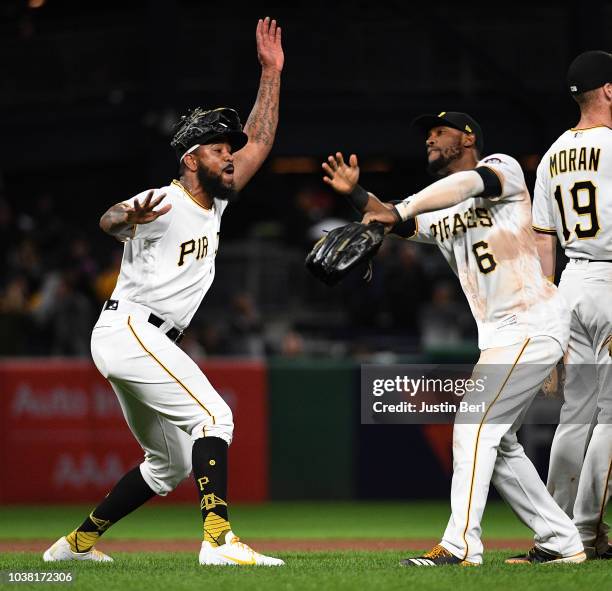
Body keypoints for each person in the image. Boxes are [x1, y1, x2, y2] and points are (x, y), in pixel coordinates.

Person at [43, 16, 284, 567]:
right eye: (218, 148)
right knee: (215, 419)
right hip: (132, 329)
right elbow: (110, 219)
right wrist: (123, 218)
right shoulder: (165, 199)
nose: (229, 155)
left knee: (168, 465)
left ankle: (75, 545)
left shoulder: (216, 201)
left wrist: (270, 73)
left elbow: (263, 139)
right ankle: (219, 540)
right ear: (190, 157)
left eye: (229, 148)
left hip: (133, 336)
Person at [322, 111, 585, 566]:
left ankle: (461, 544)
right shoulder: (441, 211)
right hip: (503, 335)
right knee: (499, 444)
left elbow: (459, 188)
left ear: (467, 138)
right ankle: (560, 541)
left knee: (472, 426)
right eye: (426, 133)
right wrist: (358, 197)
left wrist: (401, 208)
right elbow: (394, 221)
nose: (429, 139)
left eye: (438, 132)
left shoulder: (501, 169)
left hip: (531, 320)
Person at [530, 50, 612, 560]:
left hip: (569, 286)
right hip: (608, 281)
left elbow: (544, 240)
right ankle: (582, 533)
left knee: (575, 416)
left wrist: (547, 313)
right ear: (608, 90)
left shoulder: (554, 152)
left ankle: (556, 531)